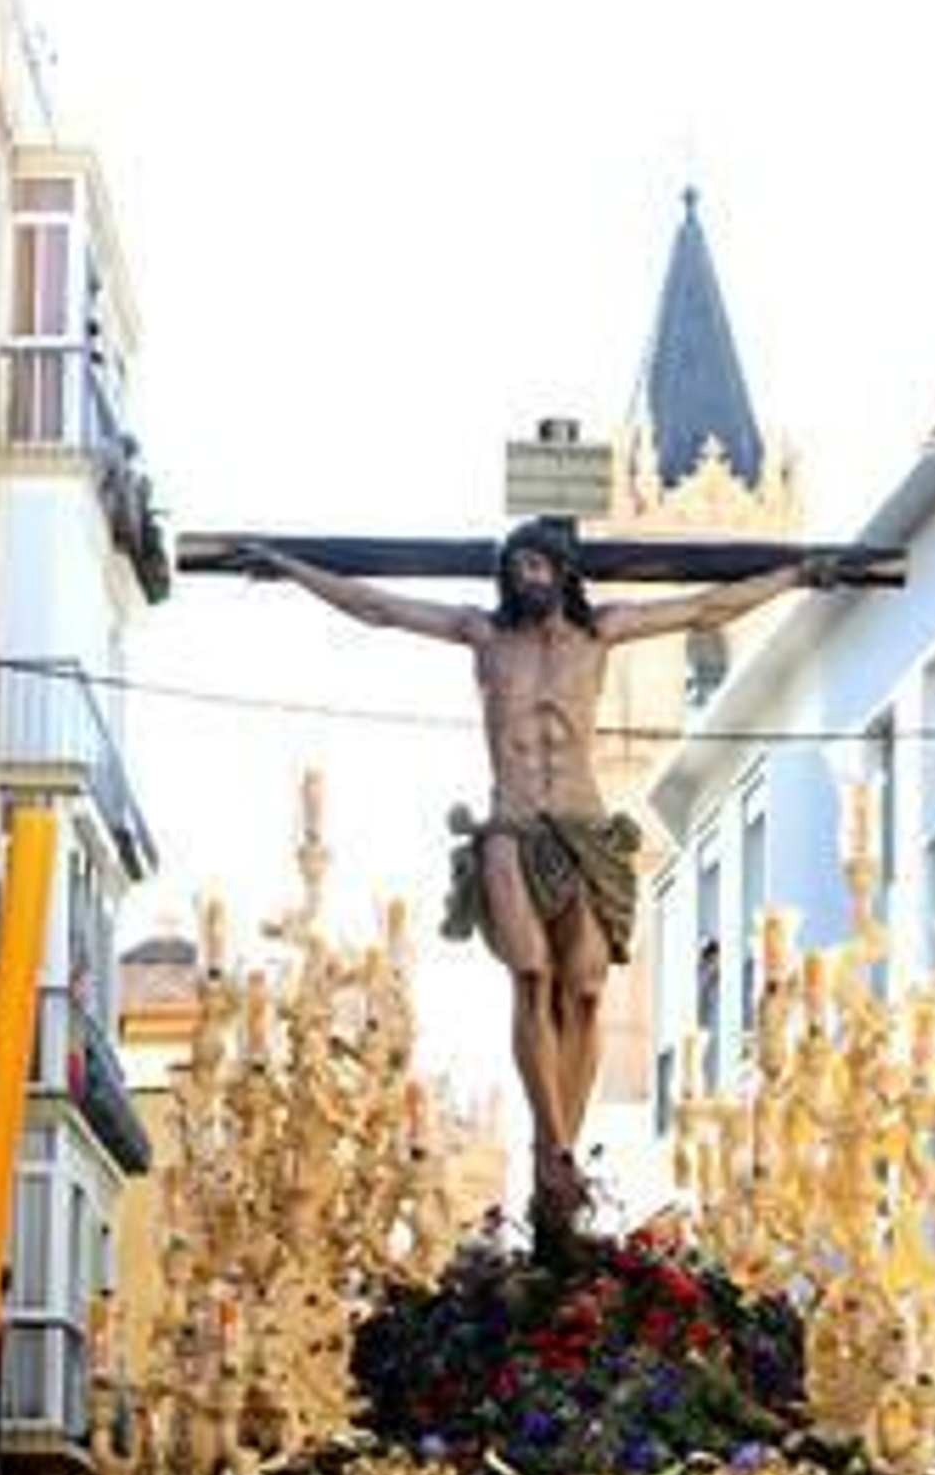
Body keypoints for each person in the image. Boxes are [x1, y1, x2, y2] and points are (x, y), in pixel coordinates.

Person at [245, 521, 835, 1220]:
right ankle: (552, 1147)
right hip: (510, 827)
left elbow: (706, 609)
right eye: (514, 565)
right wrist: (291, 566)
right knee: (531, 975)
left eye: (534, 563)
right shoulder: (485, 638)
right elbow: (378, 608)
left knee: (583, 988)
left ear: (561, 570)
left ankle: (564, 1142)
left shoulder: (602, 633)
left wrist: (794, 576)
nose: (523, 576)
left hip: (584, 828)